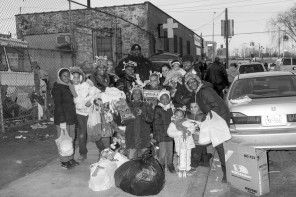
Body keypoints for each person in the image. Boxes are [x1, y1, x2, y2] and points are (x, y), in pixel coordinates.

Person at [184, 73, 230, 183]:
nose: (192, 84)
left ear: (198, 81)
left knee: (219, 145)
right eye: (189, 83)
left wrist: (207, 117)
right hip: (216, 118)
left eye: (193, 81)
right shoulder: (198, 92)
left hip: (219, 119)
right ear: (188, 86)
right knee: (219, 145)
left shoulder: (205, 91)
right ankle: (227, 171)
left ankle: (227, 174)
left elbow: (216, 106)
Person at [51, 68, 79, 169]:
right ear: (59, 76)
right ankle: (64, 161)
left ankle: (70, 158)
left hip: (71, 117)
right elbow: (58, 105)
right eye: (64, 76)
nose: (67, 77)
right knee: (63, 140)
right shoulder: (57, 88)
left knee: (71, 138)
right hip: (62, 118)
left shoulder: (69, 87)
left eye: (68, 75)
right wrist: (62, 120)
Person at [71, 67, 100, 162]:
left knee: (94, 132)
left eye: (77, 77)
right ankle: (83, 153)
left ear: (81, 77)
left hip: (91, 113)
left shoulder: (87, 85)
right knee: (82, 134)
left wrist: (91, 101)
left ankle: (103, 151)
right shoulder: (70, 88)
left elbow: (97, 93)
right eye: (73, 77)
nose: (75, 79)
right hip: (79, 114)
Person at [124, 86, 154, 159]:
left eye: (139, 94)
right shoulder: (127, 105)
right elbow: (124, 122)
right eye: (135, 93)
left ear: (141, 95)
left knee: (143, 160)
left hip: (143, 136)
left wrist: (143, 114)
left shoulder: (147, 105)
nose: (136, 95)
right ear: (132, 95)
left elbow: (151, 119)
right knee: (131, 159)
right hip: (131, 136)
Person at [153, 90, 175, 173]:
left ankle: (170, 164)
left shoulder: (171, 108)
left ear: (169, 99)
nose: (165, 101)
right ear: (159, 100)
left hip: (170, 134)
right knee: (162, 152)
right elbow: (155, 123)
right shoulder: (158, 109)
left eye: (166, 99)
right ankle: (161, 165)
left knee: (170, 151)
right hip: (161, 134)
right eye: (162, 99)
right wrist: (156, 136)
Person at [167, 109, 195, 175]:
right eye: (177, 115)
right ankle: (181, 167)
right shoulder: (173, 124)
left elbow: (192, 127)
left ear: (183, 116)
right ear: (174, 115)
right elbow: (169, 133)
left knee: (188, 155)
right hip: (179, 144)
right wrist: (179, 133)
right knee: (181, 155)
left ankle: (188, 168)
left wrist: (189, 131)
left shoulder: (186, 122)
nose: (179, 117)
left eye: (181, 116)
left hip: (188, 143)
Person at [187, 102, 212, 169]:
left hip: (199, 138)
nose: (193, 109)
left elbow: (206, 127)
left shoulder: (203, 116)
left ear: (199, 107)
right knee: (199, 150)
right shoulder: (188, 115)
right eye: (191, 107)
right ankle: (205, 161)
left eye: (195, 107)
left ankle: (193, 166)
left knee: (196, 153)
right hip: (192, 138)